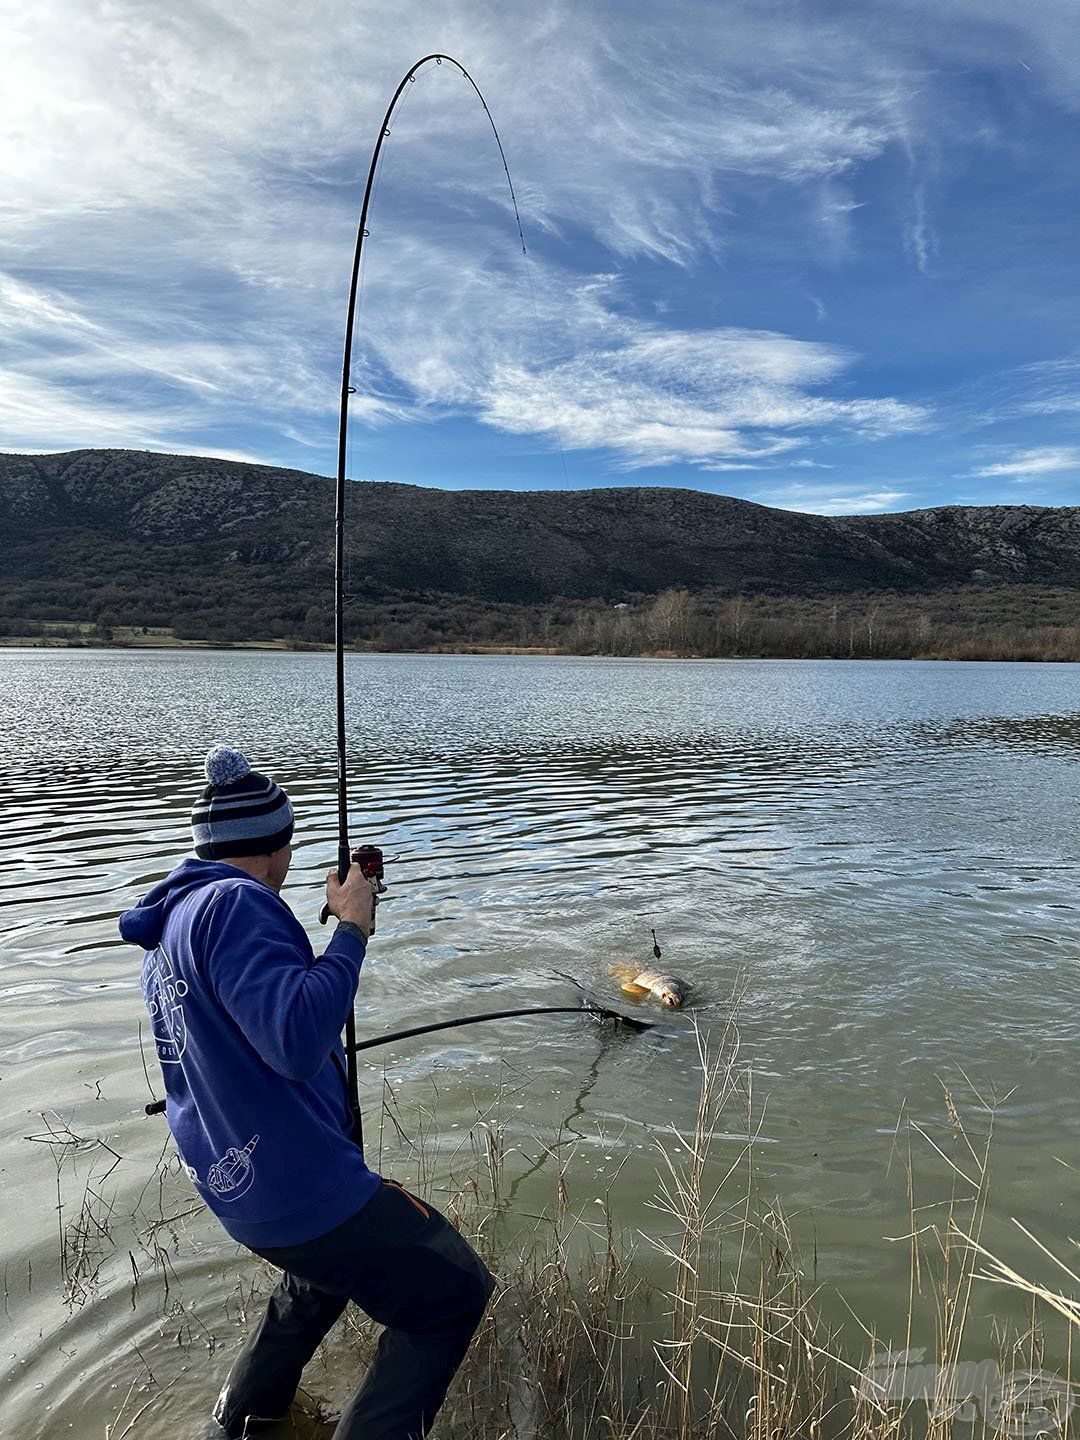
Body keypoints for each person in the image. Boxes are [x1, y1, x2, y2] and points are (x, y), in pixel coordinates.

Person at [119, 744, 494, 1440]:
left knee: (319, 1282)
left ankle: (239, 1425)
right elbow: (293, 1039)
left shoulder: (174, 920)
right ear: (273, 847)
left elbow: (241, 1042)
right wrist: (352, 928)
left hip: (245, 1191)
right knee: (452, 1292)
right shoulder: (236, 906)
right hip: (301, 1190)